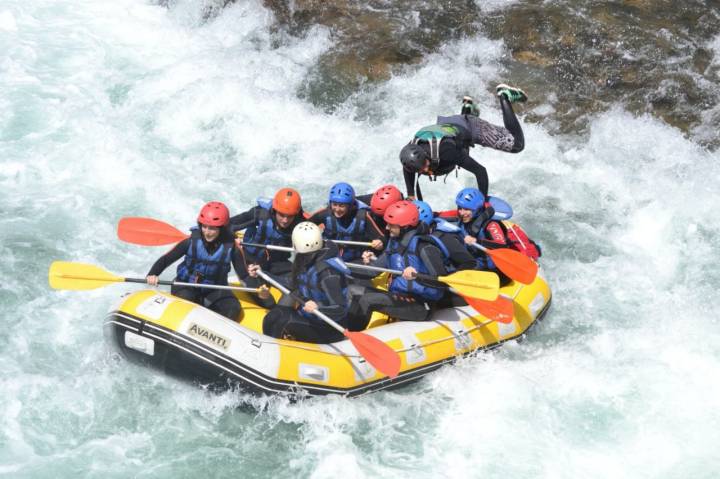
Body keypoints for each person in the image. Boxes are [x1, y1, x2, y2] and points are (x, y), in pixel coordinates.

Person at [399, 84, 528, 201]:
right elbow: (408, 170)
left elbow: (480, 171)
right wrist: (411, 195)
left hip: (471, 127)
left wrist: (482, 201)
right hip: (451, 128)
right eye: (421, 169)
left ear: (425, 155)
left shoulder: (446, 152)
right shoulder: (412, 156)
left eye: (425, 165)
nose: (426, 169)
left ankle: (504, 96)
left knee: (517, 145)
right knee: (460, 145)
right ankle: (468, 109)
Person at [351, 201, 450, 328]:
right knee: (352, 290)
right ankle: (346, 331)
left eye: (391, 225)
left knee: (367, 300)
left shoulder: (424, 247)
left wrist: (417, 276)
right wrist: (342, 268)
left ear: (405, 226)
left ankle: (355, 337)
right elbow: (373, 271)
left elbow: (442, 284)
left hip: (422, 305)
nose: (386, 228)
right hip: (399, 296)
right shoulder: (394, 243)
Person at [145, 201, 244, 321]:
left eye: (212, 228)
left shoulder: (231, 247)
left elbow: (244, 275)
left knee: (233, 308)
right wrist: (152, 274)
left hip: (214, 289)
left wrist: (261, 292)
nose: (207, 231)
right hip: (185, 285)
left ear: (222, 228)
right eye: (204, 226)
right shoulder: (190, 241)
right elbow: (166, 259)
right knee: (186, 303)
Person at [259, 222, 351, 343]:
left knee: (281, 320)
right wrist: (264, 274)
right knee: (273, 316)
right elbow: (293, 284)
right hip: (309, 317)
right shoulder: (304, 258)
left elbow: (340, 308)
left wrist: (319, 308)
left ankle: (272, 349)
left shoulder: (327, 273)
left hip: (327, 328)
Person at [229, 187, 304, 300]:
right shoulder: (260, 213)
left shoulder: (301, 223)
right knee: (266, 301)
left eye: (290, 216)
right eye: (282, 215)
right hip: (251, 261)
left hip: (276, 264)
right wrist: (199, 231)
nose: (285, 220)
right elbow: (228, 225)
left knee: (301, 281)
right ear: (274, 210)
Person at [307, 182, 385, 261]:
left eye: (342, 206)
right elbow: (304, 225)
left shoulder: (362, 217)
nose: (337, 209)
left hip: (354, 259)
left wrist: (379, 242)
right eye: (334, 204)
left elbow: (381, 238)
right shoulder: (325, 214)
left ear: (350, 206)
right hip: (327, 255)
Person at [453, 187, 512, 283]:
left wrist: (478, 241)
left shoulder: (491, 225)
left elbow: (503, 246)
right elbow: (443, 215)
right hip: (473, 257)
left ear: (477, 210)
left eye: (467, 209)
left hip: (491, 267)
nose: (462, 212)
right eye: (460, 208)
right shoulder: (464, 216)